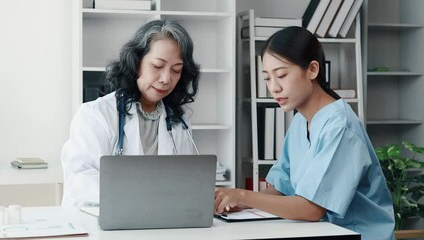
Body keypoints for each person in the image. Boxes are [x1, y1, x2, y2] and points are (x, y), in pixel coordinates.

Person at [214, 26, 395, 240]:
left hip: (358, 235)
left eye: (281, 75)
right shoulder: (302, 120)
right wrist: (236, 201)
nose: (274, 88)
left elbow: (311, 209)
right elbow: (282, 187)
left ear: (312, 70)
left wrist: (243, 194)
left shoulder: (339, 127)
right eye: (267, 78)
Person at [61, 19, 200, 207]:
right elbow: (80, 179)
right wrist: (142, 194)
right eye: (157, 66)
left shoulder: (178, 120)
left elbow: (185, 178)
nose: (166, 79)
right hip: (101, 222)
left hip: (158, 221)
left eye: (176, 70)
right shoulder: (96, 114)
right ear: (136, 63)